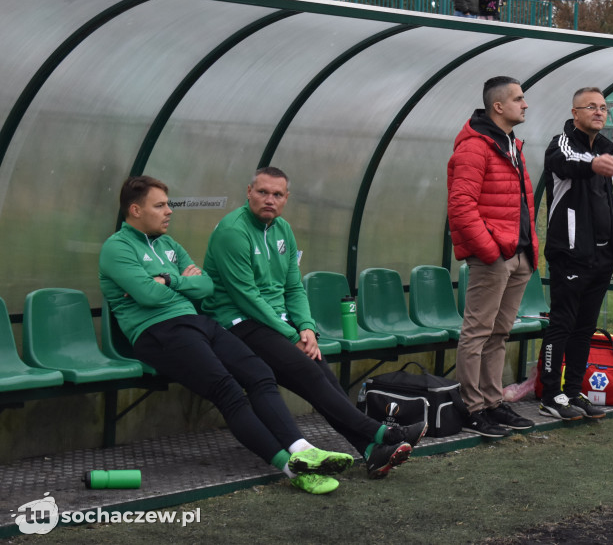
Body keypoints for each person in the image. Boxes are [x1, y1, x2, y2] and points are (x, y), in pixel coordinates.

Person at [99, 176, 353, 495]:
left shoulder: (168, 245)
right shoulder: (116, 248)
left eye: (168, 204)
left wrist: (170, 281)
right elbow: (148, 296)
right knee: (228, 390)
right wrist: (178, 282)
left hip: (197, 322)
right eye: (160, 205)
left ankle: (303, 449)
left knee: (260, 374)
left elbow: (206, 287)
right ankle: (293, 469)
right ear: (135, 210)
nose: (169, 212)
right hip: (158, 333)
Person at [202, 166, 423, 478]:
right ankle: (382, 434)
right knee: (310, 371)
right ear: (249, 192)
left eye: (277, 195)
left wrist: (306, 328)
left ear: (286, 198)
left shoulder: (284, 231)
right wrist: (291, 335)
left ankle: (371, 451)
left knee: (321, 374)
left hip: (275, 324)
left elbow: (293, 288)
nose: (269, 200)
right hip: (237, 322)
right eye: (262, 192)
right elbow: (246, 297)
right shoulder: (232, 231)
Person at [448, 76, 539, 437]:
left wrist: (527, 249)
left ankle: (493, 401)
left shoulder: (511, 145)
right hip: (494, 256)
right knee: (478, 332)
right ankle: (472, 408)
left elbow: (520, 205)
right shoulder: (475, 147)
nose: (525, 104)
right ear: (498, 106)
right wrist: (489, 251)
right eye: (519, 98)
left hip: (517, 255)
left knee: (499, 332)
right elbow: (461, 206)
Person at [539, 88, 613, 421]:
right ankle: (551, 394)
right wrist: (592, 162)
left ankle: (573, 391)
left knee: (585, 328)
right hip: (571, 256)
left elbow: (606, 207)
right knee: (562, 324)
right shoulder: (562, 144)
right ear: (575, 112)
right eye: (591, 106)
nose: (599, 112)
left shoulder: (603, 149)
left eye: (604, 107)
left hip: (601, 258)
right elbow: (564, 163)